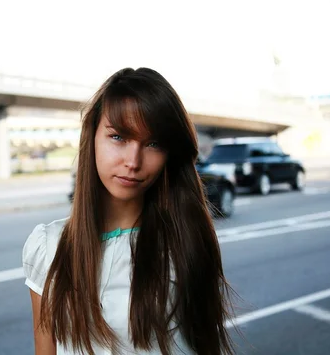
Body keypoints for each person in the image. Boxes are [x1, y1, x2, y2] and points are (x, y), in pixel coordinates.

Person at [22, 67, 236, 355]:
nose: (133, 161)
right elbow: (45, 348)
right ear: (93, 136)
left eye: (153, 143)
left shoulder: (184, 241)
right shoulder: (48, 246)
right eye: (119, 137)